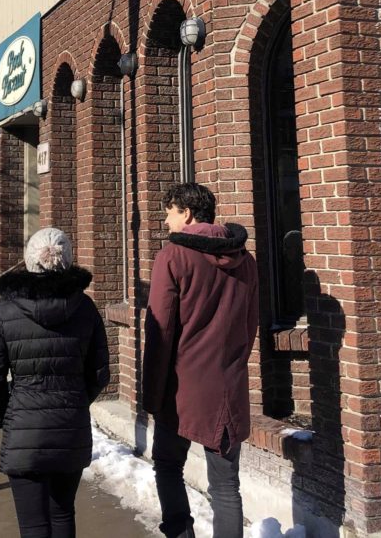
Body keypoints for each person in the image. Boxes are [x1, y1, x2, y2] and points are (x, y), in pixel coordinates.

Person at [142, 182, 259, 538]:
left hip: (180, 390)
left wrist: (152, 394)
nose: (166, 221)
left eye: (169, 212)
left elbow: (159, 331)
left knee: (167, 465)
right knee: (226, 486)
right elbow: (250, 322)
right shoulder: (246, 260)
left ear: (187, 213)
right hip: (227, 386)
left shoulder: (173, 257)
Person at [0, 228, 109, 538]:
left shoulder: (7, 310)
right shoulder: (85, 308)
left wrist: (4, 416)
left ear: (29, 260)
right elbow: (100, 372)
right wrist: (74, 401)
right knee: (63, 513)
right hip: (70, 425)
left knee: (33, 525)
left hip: (24, 426)